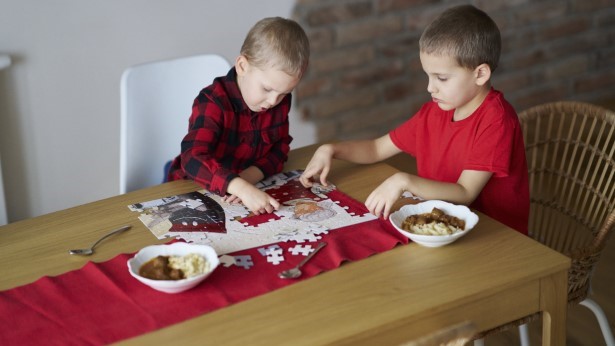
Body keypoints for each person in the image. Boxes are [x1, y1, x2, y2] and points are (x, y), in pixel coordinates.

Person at [299, 5, 530, 235]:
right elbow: (376, 148)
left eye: (441, 78)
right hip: (439, 226)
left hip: (493, 236)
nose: (430, 87)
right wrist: (331, 149)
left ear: (480, 74)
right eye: (428, 76)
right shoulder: (433, 112)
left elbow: (465, 192)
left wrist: (403, 181)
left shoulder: (497, 120)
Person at [167, 17, 310, 215]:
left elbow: (280, 149)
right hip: (192, 187)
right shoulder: (213, 101)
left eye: (284, 93)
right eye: (267, 88)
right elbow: (192, 158)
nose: (273, 101)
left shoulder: (278, 100)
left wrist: (248, 178)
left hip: (242, 189)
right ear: (242, 66)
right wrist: (238, 186)